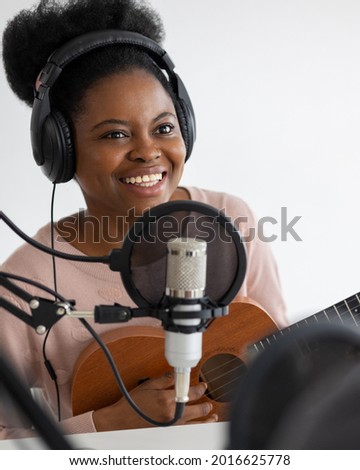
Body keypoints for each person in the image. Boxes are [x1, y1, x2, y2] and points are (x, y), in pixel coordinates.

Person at [0, 0, 287, 440]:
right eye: (115, 134)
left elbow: (284, 357)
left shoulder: (231, 220)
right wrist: (105, 425)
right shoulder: (24, 283)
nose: (148, 151)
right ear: (60, 149)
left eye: (164, 127)